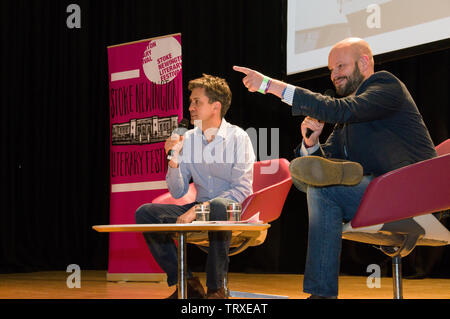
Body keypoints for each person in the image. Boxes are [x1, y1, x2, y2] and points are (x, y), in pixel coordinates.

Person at [233, 37, 437, 298]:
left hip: (414, 195)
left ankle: (321, 293)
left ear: (364, 62)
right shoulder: (348, 120)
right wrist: (312, 142)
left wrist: (269, 85)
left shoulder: (386, 85)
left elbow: (340, 109)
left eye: (340, 66)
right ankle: (321, 294)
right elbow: (326, 159)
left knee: (325, 188)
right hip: (379, 196)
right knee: (321, 187)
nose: (334, 75)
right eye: (331, 70)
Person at [135, 74, 255, 299]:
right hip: (200, 207)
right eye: (190, 102)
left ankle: (216, 288)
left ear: (215, 106)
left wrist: (200, 209)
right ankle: (187, 282)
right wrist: (174, 160)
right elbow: (178, 191)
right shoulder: (188, 138)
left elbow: (242, 189)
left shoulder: (238, 138)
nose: (190, 107)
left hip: (231, 209)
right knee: (145, 213)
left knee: (219, 206)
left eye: (196, 102)